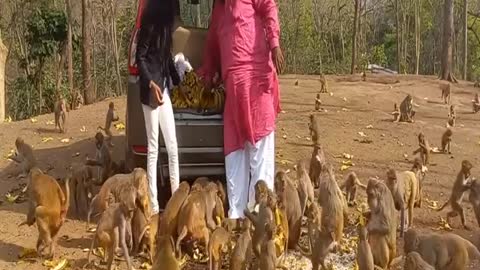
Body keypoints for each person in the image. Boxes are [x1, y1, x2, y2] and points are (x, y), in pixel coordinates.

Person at [198, 0, 285, 224]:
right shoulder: (219, 9)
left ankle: (260, 213)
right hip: (233, 86)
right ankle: (237, 216)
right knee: (236, 151)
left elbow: (269, 7)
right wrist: (208, 73)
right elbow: (212, 44)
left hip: (256, 77)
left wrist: (274, 44)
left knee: (260, 149)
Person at [136, 0, 181, 240]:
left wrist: (179, 81)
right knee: (153, 148)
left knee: (172, 147)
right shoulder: (150, 25)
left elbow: (166, 58)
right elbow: (140, 57)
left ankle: (175, 198)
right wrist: (151, 83)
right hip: (150, 92)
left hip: (162, 89)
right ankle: (153, 204)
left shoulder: (165, 30)